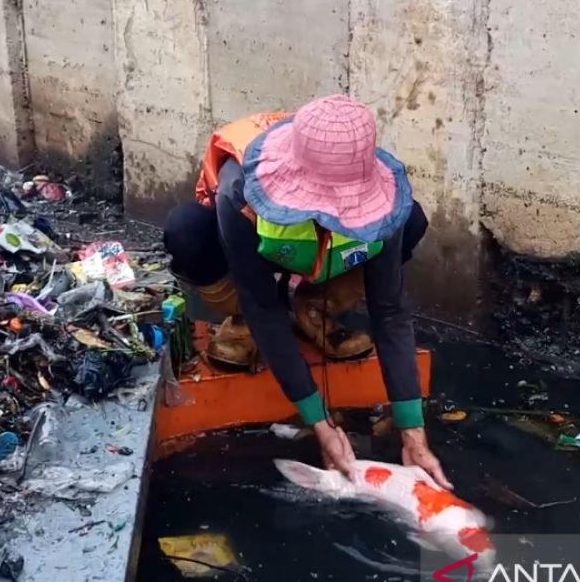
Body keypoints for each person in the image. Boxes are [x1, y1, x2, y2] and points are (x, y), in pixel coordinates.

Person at [162, 94, 451, 489]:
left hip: (323, 261)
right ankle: (239, 326)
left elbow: (390, 310)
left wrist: (412, 432)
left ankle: (313, 308)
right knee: (186, 232)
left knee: (413, 218)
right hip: (251, 263)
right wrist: (321, 423)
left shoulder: (386, 198)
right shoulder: (240, 189)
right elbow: (262, 304)